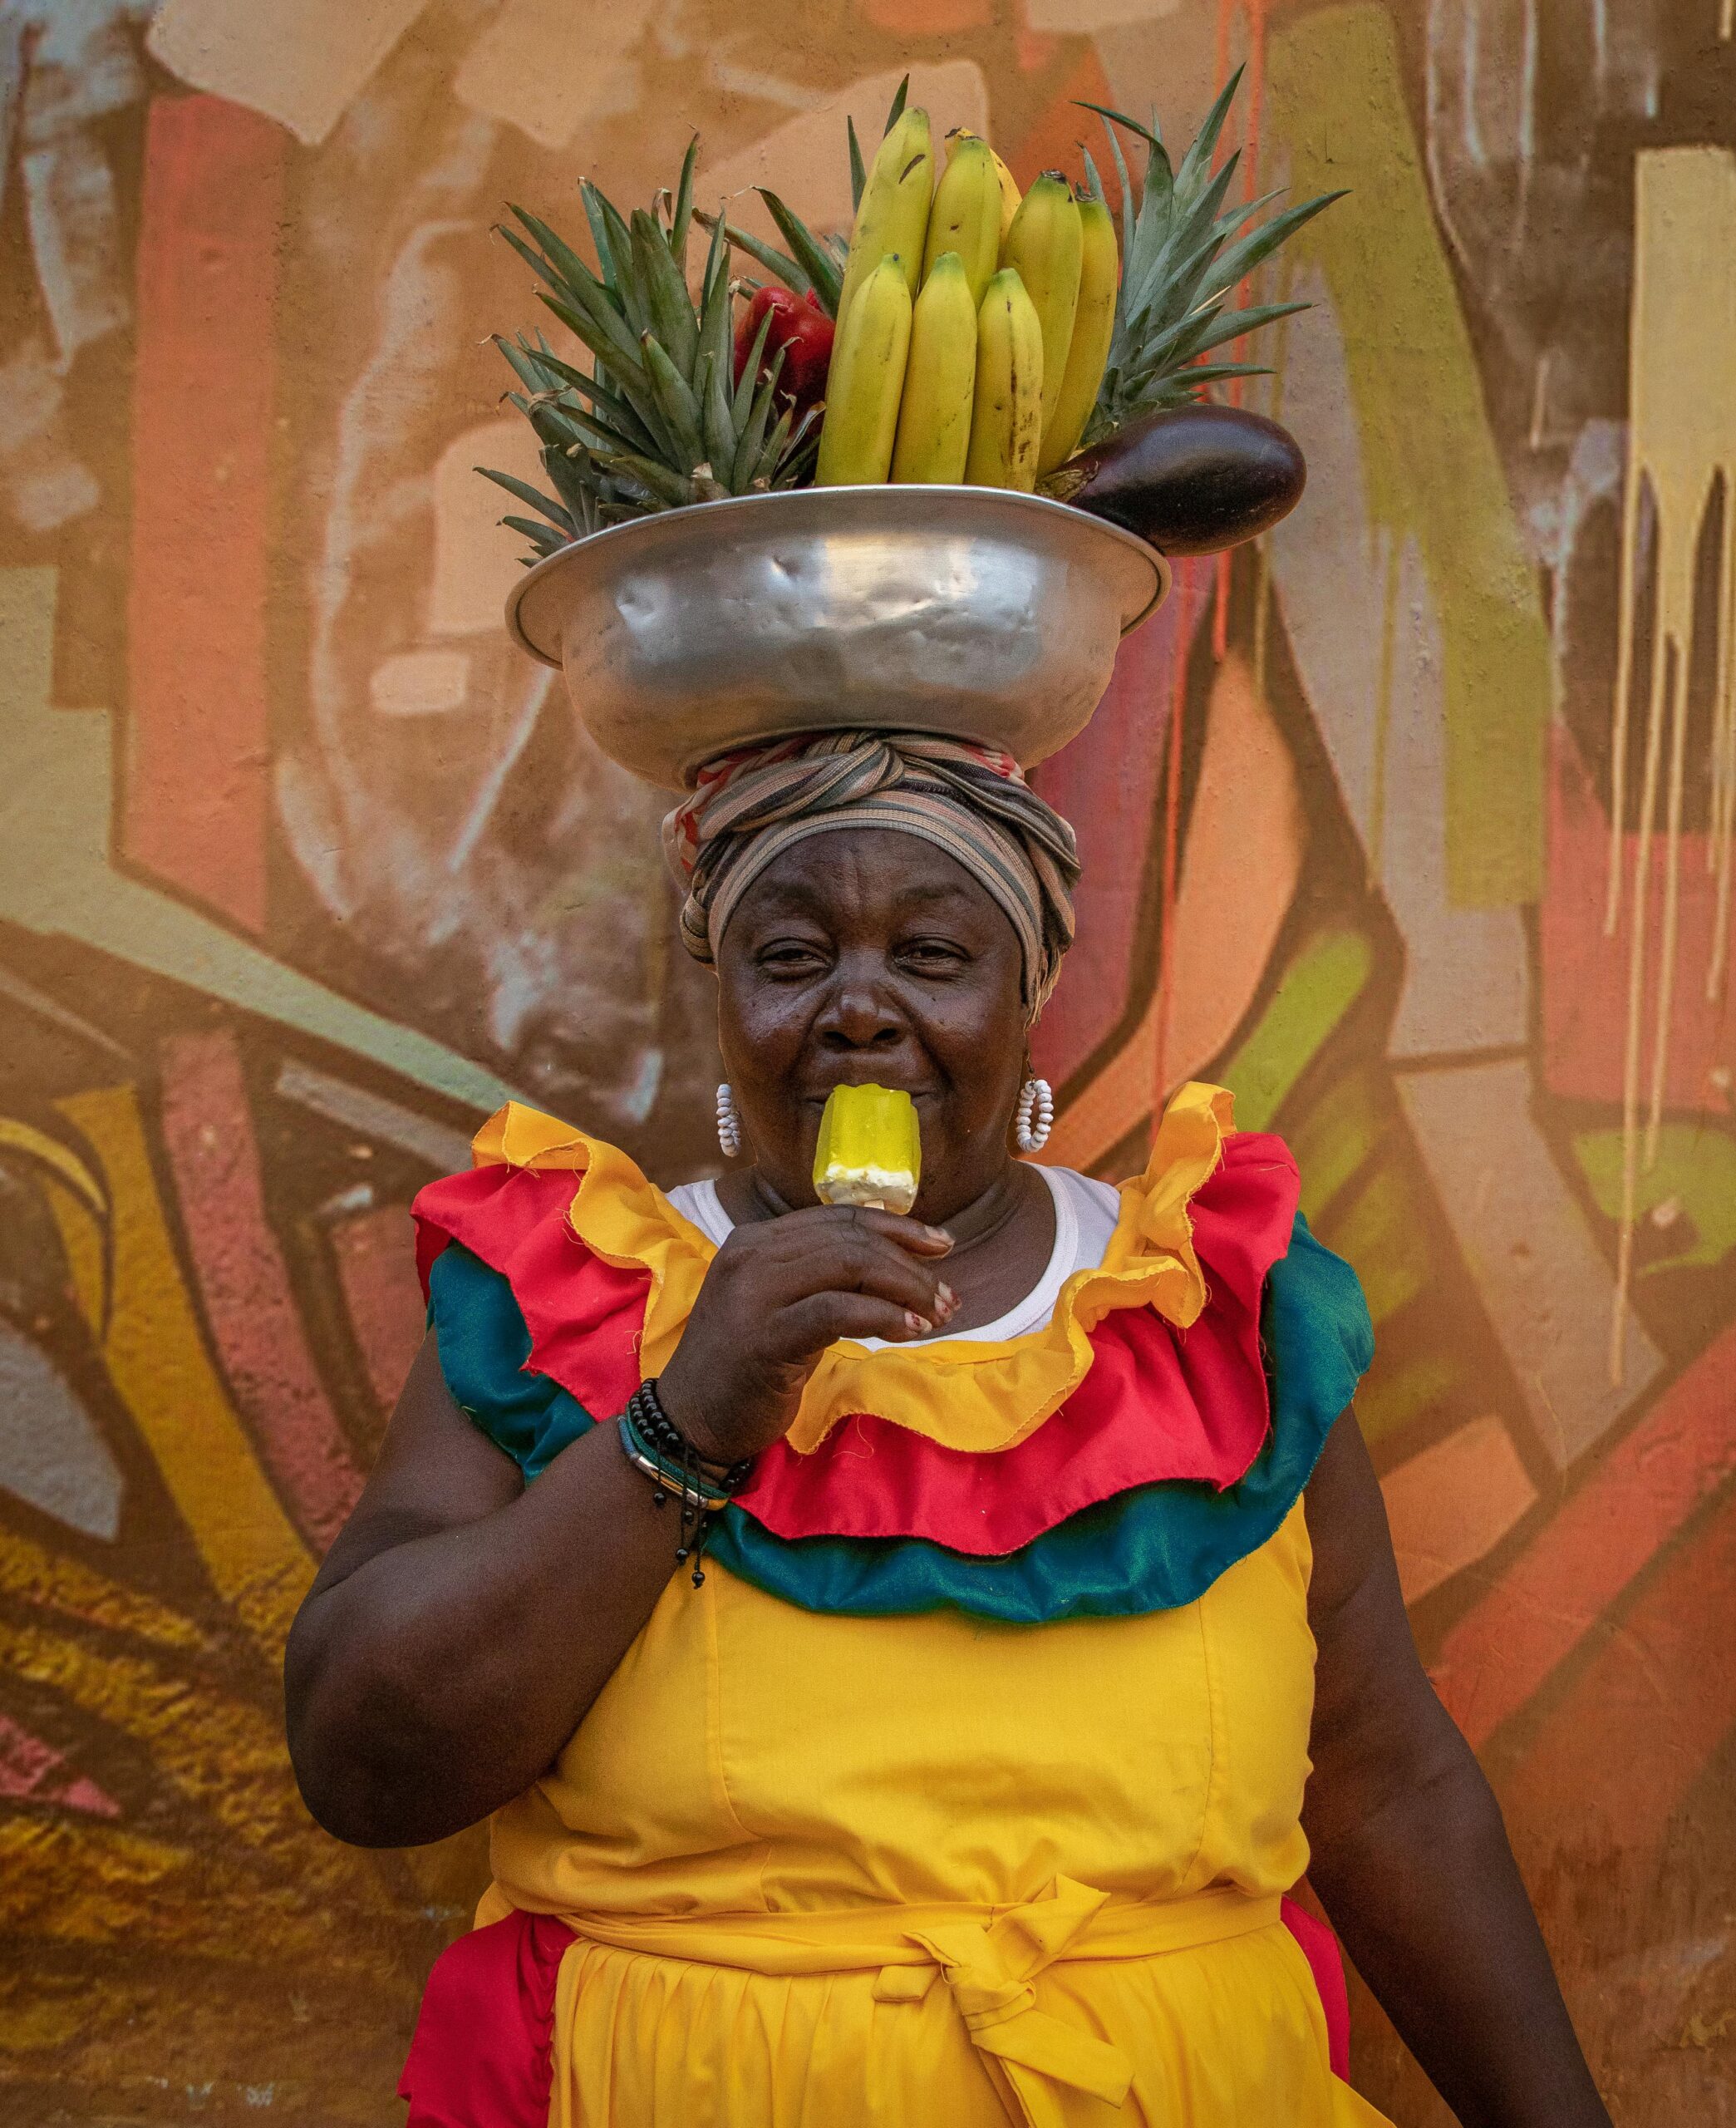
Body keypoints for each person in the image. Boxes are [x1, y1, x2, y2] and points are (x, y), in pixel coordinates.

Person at [285, 730, 1611, 2127]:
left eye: (930, 956)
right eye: (792, 959)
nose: (858, 1008)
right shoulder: (566, 1299)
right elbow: (362, 1761)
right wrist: (685, 1421)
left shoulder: (1209, 1308)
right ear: (723, 1008)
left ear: (1026, 994)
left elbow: (1380, 1780)